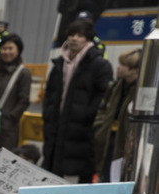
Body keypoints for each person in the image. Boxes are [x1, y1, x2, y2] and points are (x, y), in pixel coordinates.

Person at [42, 20, 112, 183]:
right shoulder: (60, 63)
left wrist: (88, 114)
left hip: (82, 129)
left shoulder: (99, 64)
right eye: (71, 34)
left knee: (80, 174)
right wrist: (49, 113)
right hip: (56, 126)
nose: (74, 39)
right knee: (53, 171)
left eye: (79, 35)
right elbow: (50, 92)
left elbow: (104, 95)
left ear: (87, 39)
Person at [95, 48, 141, 181]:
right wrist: (98, 129)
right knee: (104, 176)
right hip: (108, 138)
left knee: (120, 178)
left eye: (123, 65)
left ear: (135, 70)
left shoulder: (138, 91)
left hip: (126, 143)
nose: (118, 68)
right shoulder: (115, 87)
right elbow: (102, 110)